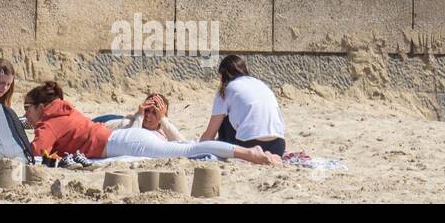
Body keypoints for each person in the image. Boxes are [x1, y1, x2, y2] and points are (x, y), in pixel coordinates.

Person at [24, 82, 279, 165]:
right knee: (189, 149)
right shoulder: (65, 111)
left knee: (189, 150)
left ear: (40, 107)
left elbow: (35, 152)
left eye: (28, 109)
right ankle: (247, 153)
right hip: (121, 140)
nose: (28, 115)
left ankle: (250, 154)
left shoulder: (49, 122)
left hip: (125, 141)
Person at [199, 55, 286, 156]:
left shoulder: (226, 89)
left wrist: (200, 145)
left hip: (249, 145)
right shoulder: (261, 84)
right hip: (278, 146)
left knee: (222, 119)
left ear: (223, 74)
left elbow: (210, 135)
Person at [98, 93, 185, 141]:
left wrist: (163, 119)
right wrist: (140, 115)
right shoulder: (132, 123)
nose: (148, 115)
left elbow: (182, 143)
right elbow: (131, 139)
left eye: (154, 112)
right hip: (109, 121)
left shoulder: (164, 130)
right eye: (146, 110)